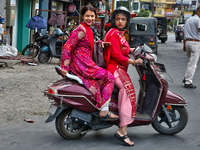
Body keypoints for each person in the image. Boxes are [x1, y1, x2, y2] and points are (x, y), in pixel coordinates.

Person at [55, 5, 119, 121]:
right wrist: (64, 66)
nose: (90, 18)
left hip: (86, 63)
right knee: (109, 78)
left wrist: (101, 43)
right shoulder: (81, 30)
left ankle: (95, 107)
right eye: (87, 16)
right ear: (82, 16)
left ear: (95, 17)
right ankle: (104, 110)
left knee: (101, 80)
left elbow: (87, 44)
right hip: (83, 65)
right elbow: (67, 46)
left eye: (92, 16)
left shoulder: (88, 29)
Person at [104, 6, 143, 146]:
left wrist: (134, 50)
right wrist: (133, 61)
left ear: (127, 21)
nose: (120, 21)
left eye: (123, 19)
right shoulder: (114, 33)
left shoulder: (118, 34)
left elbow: (123, 49)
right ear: (114, 20)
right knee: (127, 91)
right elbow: (116, 55)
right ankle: (122, 130)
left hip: (118, 68)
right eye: (118, 19)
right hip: (115, 68)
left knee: (128, 90)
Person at [183, 7, 200, 88]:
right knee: (193, 64)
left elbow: (184, 32)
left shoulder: (188, 20)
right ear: (198, 12)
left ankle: (186, 77)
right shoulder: (198, 20)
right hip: (195, 43)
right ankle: (188, 82)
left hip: (187, 42)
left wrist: (184, 44)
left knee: (190, 62)